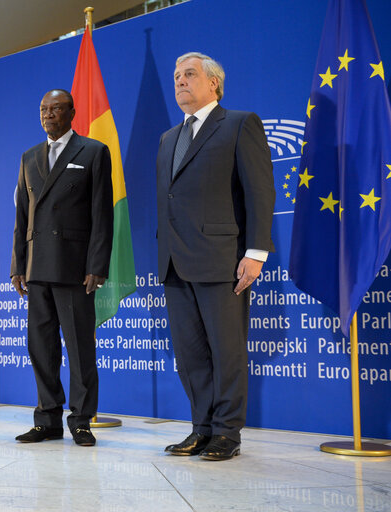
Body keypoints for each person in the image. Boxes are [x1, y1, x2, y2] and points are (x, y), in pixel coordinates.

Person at [156, 53, 275, 460]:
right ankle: (201, 428)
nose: (181, 82)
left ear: (214, 84)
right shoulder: (168, 138)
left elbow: (259, 191)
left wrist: (256, 251)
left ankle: (227, 432)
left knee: (226, 350)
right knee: (189, 353)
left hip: (222, 258)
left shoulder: (240, 124)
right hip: (175, 262)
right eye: (176, 77)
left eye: (189, 74)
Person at [11, 89, 113, 446]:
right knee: (41, 348)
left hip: (74, 267)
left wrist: (97, 263)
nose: (48, 114)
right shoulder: (28, 156)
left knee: (80, 348)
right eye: (43, 109)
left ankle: (81, 420)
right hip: (37, 268)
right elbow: (22, 216)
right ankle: (47, 420)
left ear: (72, 112)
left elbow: (102, 213)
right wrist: (17, 266)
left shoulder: (93, 151)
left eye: (56, 109)